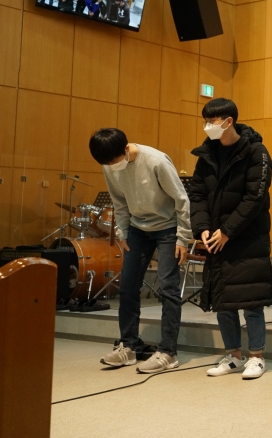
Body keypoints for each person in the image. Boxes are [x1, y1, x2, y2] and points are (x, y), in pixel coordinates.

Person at [89, 128, 191, 374]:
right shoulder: (109, 165)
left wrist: (183, 238)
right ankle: (129, 346)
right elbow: (119, 201)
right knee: (128, 285)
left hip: (168, 228)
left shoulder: (156, 161)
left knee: (168, 287)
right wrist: (123, 232)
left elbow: (181, 199)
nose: (112, 167)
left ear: (126, 149)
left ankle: (168, 352)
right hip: (137, 229)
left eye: (115, 161)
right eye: (107, 164)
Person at [188, 98, 272, 380]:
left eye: (212, 121)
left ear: (229, 122)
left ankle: (257, 357)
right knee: (222, 300)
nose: (208, 126)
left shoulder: (256, 151)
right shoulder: (207, 154)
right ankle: (234, 355)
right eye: (205, 121)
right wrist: (202, 227)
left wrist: (228, 230)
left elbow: (255, 197)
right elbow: (197, 194)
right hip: (216, 237)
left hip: (247, 237)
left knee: (251, 300)